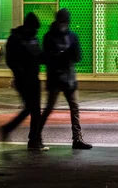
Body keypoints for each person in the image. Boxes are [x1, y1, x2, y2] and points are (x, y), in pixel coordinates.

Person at [40, 8, 92, 150]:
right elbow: (46, 58)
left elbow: (77, 57)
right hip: (56, 78)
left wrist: (71, 53)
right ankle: (36, 135)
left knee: (75, 108)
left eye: (65, 22)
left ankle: (77, 139)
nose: (63, 24)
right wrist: (60, 56)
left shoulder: (72, 36)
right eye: (61, 21)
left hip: (69, 78)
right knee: (49, 108)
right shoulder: (49, 37)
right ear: (57, 21)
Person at [1, 12, 48, 151]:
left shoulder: (32, 38)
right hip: (23, 79)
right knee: (31, 109)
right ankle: (29, 137)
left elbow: (38, 56)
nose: (35, 31)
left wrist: (48, 57)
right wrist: (19, 72)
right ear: (29, 26)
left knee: (34, 110)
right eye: (34, 28)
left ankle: (34, 139)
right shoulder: (16, 38)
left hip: (34, 78)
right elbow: (11, 60)